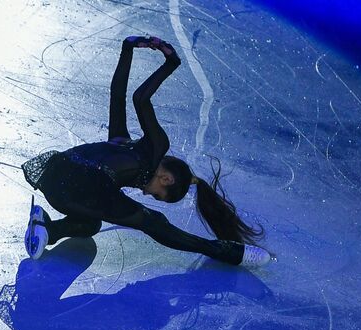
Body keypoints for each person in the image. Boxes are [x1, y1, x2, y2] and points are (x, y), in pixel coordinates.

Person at [21, 35, 272, 267]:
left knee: (91, 224)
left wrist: (127, 48)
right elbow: (140, 99)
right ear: (167, 178)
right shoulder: (156, 148)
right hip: (82, 183)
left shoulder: (120, 140)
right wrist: (171, 64)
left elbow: (117, 94)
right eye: (158, 195)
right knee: (152, 221)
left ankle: (46, 229)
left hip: (55, 180)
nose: (147, 193)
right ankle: (224, 251)